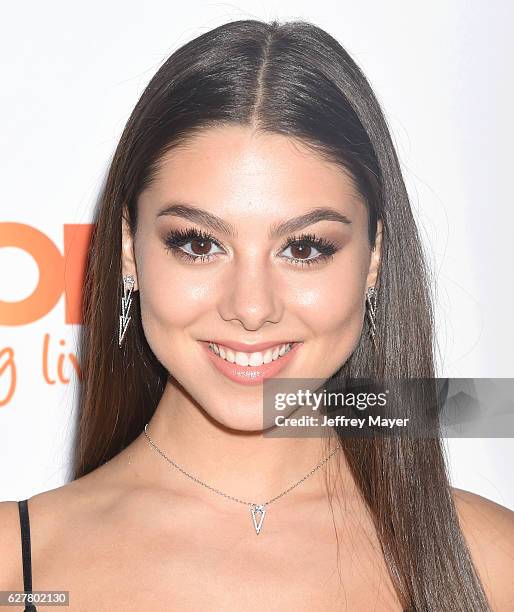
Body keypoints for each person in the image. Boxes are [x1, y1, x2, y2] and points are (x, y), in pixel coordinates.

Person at [1, 19, 513, 611]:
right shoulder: (21, 569)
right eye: (198, 243)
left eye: (304, 248)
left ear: (374, 259)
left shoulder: (491, 563)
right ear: (127, 250)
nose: (250, 307)